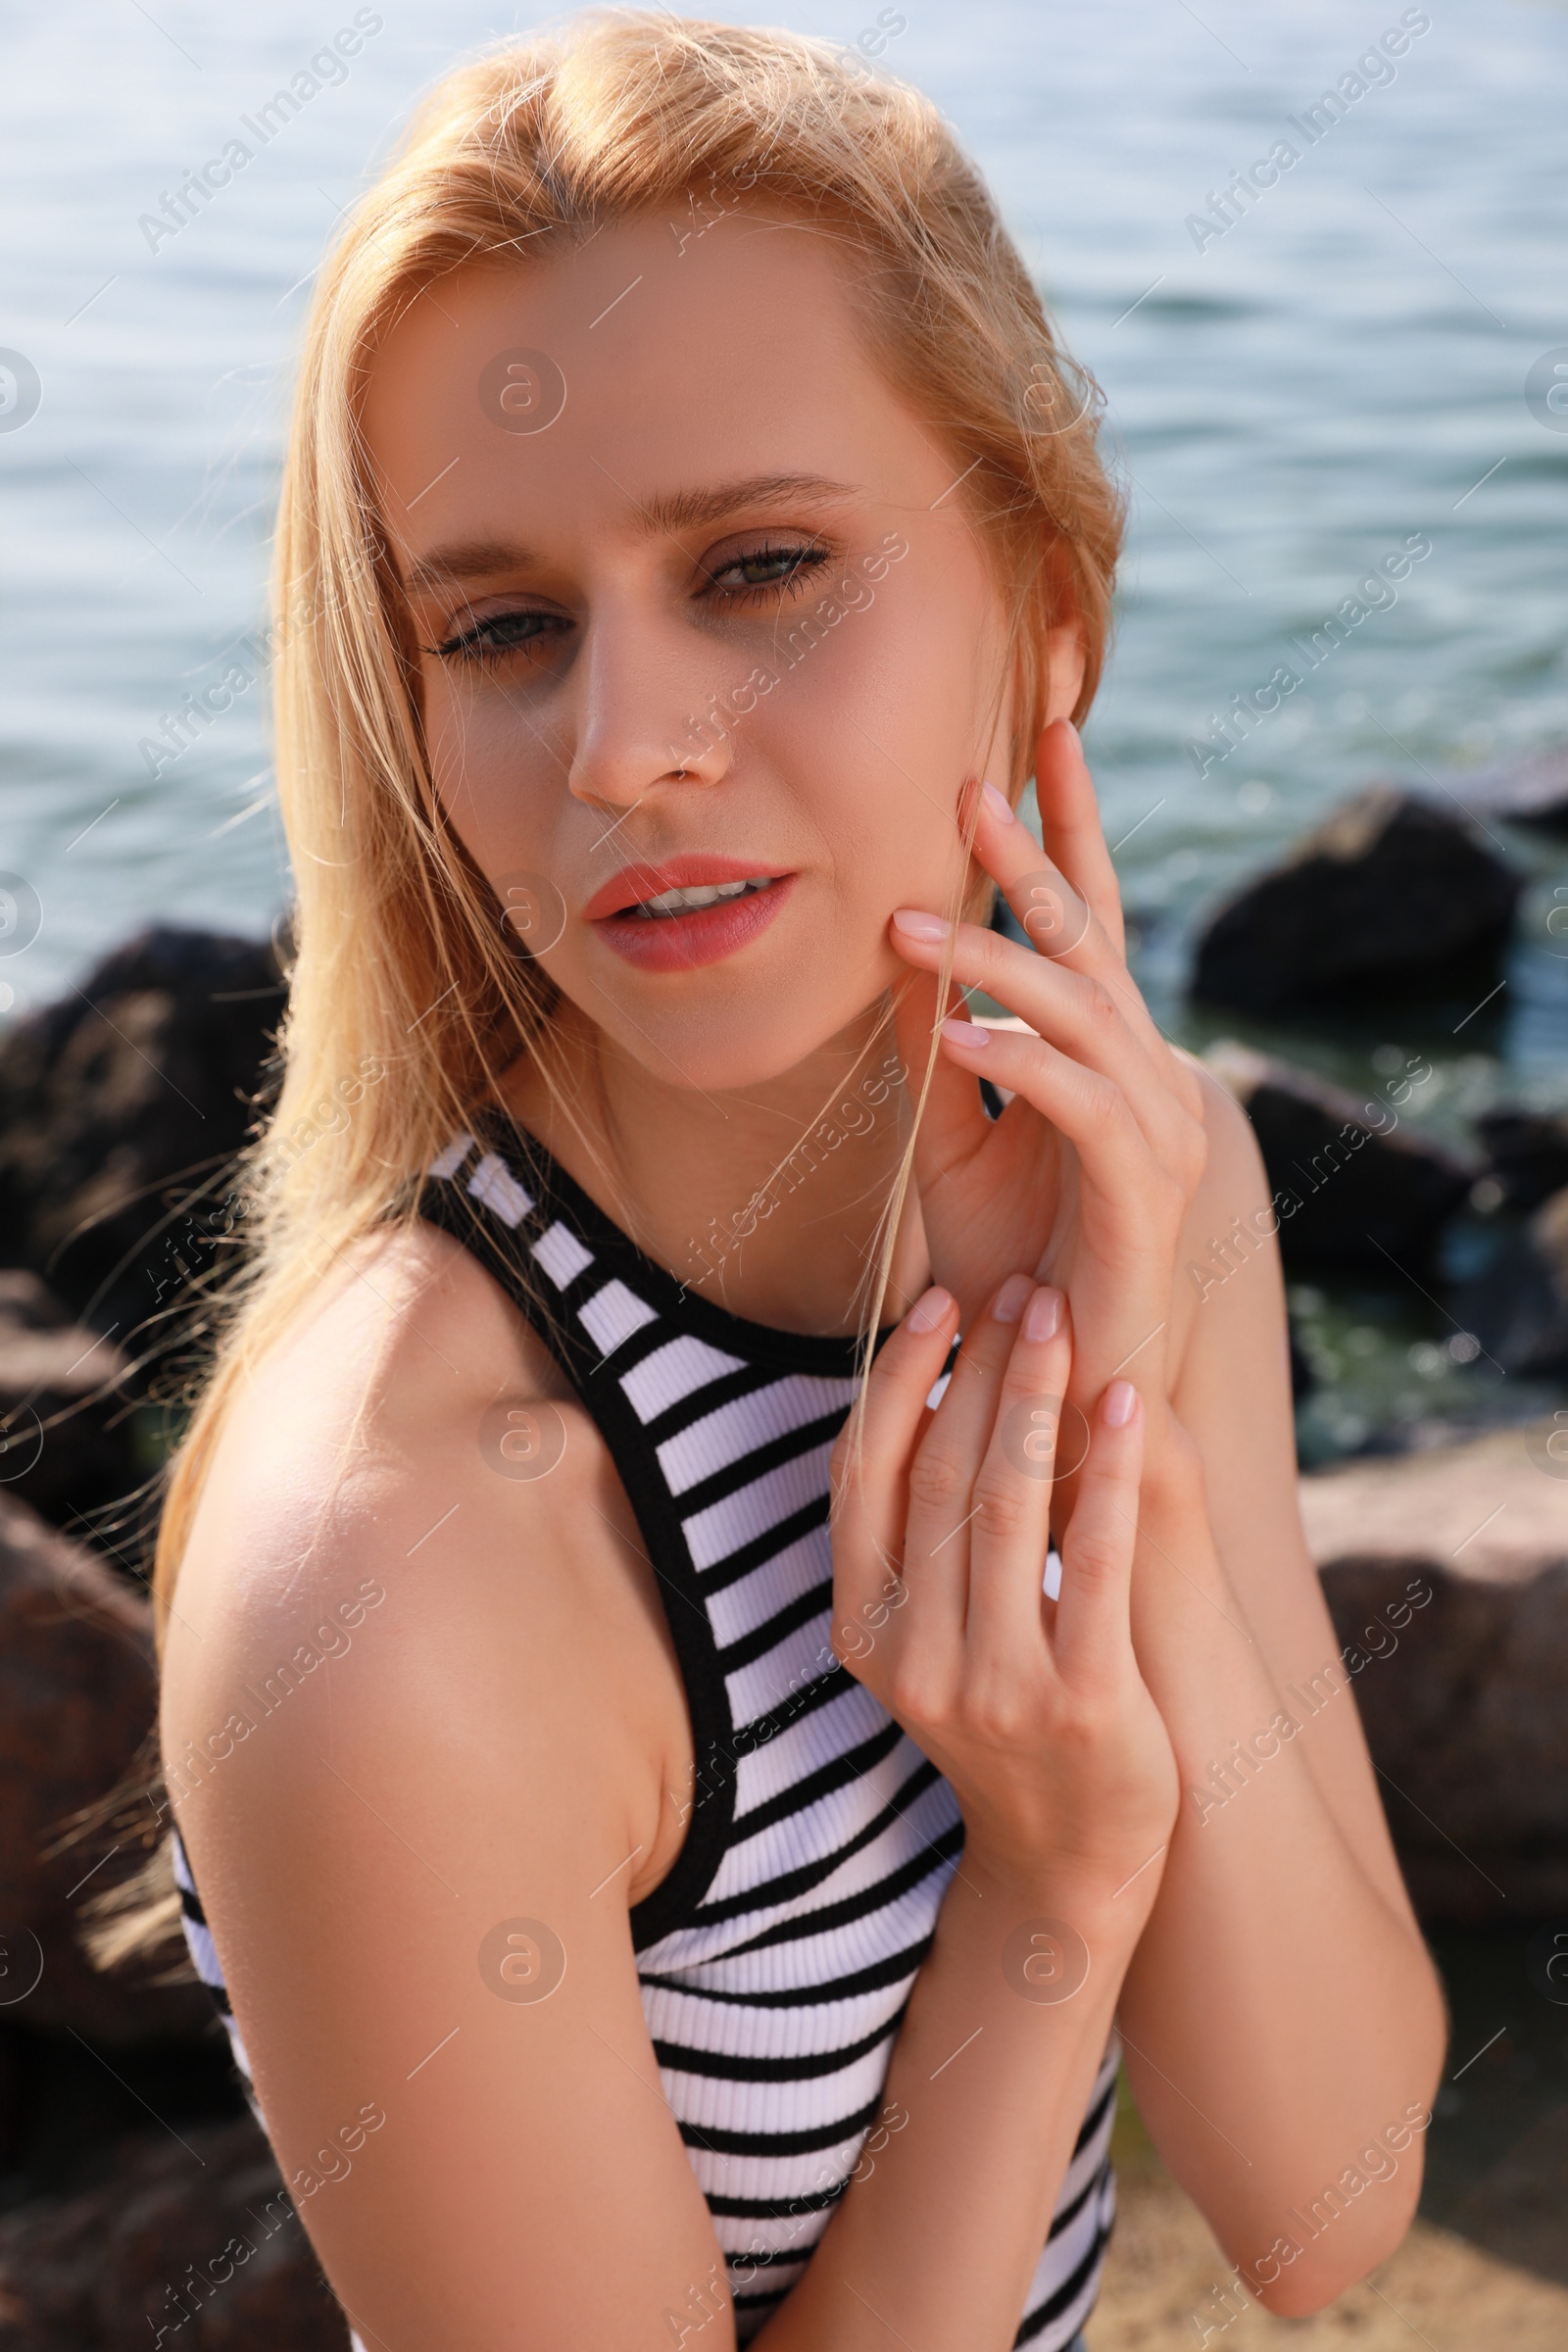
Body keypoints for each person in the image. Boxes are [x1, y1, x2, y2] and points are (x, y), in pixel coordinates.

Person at [148, 16, 1446, 2347]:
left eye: (756, 567)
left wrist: (1116, 1456)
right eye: (502, 627)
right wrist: (1043, 1896)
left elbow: (1325, 2197)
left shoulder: (1136, 1183)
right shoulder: (397, 1560)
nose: (625, 743)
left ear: (1044, 603)